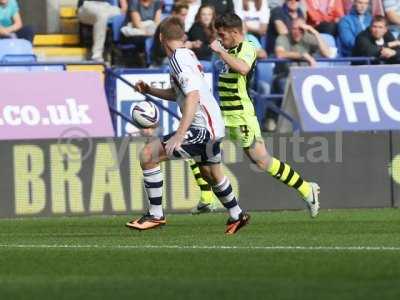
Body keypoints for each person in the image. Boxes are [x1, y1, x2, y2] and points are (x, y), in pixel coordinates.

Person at [125, 16, 250, 234]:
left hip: (202, 127)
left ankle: (155, 215)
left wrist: (180, 135)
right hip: (214, 124)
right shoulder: (186, 55)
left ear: (161, 38)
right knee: (210, 173)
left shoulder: (177, 59)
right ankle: (237, 214)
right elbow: (180, 94)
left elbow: (192, 96)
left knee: (147, 155)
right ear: (182, 37)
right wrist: (150, 90)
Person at [201, 13, 320, 217]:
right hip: (222, 115)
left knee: (262, 161)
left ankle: (306, 189)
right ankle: (206, 199)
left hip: (241, 116)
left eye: (223, 34)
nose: (220, 39)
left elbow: (244, 68)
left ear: (235, 32)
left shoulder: (247, 47)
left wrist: (220, 51)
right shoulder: (226, 49)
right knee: (198, 149)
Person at [264, 17, 331, 131]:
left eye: (301, 29)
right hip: (285, 75)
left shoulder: (308, 38)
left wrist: (314, 31)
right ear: (290, 29)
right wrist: (303, 55)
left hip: (305, 78)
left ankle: (308, 123)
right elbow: (280, 54)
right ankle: (273, 119)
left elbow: (327, 53)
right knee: (283, 84)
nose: (297, 32)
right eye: (294, 29)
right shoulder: (283, 38)